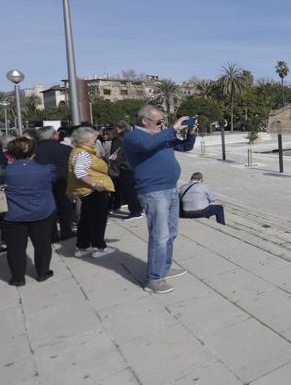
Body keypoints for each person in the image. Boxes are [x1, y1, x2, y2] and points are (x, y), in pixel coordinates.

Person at [124, 105, 196, 294]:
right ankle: (154, 279)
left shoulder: (160, 135)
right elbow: (147, 146)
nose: (162, 124)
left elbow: (185, 146)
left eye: (163, 121)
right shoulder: (133, 137)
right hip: (154, 192)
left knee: (171, 233)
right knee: (159, 235)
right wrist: (172, 129)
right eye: (159, 121)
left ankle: (164, 267)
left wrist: (191, 133)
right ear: (144, 121)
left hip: (171, 189)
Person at [0, 138, 56, 285]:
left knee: (15, 248)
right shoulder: (45, 169)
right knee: (43, 244)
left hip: (13, 214)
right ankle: (43, 272)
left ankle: (18, 278)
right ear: (33, 151)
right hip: (41, 211)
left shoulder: (6, 172)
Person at [67, 127, 117, 258]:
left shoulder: (77, 151)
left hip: (85, 191)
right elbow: (79, 172)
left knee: (86, 219)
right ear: (85, 140)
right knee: (98, 220)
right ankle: (98, 246)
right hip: (93, 190)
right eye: (94, 140)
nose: (96, 142)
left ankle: (82, 246)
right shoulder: (84, 153)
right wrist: (95, 184)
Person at [33, 126, 76, 241]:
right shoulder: (65, 148)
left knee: (49, 209)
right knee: (65, 207)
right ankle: (66, 231)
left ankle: (52, 234)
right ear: (53, 136)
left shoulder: (34, 149)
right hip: (63, 180)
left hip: (42, 183)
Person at [109, 121, 143, 221]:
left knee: (129, 190)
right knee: (135, 189)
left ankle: (135, 211)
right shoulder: (134, 136)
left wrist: (109, 160)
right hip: (136, 165)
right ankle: (139, 207)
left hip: (126, 167)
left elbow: (115, 155)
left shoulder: (118, 139)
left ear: (118, 128)